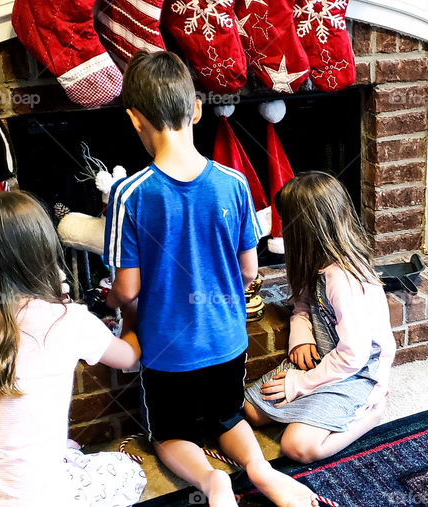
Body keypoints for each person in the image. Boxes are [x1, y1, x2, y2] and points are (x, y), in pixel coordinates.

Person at [104, 50, 317, 507]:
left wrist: (113, 305)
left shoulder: (129, 193)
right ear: (197, 109)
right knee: (227, 416)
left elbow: (128, 289)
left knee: (168, 434)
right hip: (227, 343)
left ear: (134, 118)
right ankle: (260, 468)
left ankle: (211, 481)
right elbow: (249, 270)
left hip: (168, 353)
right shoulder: (235, 182)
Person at [0, 190, 147, 506]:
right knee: (128, 471)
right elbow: (130, 357)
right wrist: (129, 307)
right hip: (36, 499)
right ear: (42, 250)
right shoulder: (68, 320)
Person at [244, 172, 396, 464]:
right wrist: (301, 338)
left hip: (359, 372)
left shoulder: (343, 278)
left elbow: (354, 355)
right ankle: (317, 407)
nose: (280, 228)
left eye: (285, 221)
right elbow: (302, 304)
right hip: (325, 359)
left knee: (298, 447)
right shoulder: (314, 262)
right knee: (251, 411)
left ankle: (372, 413)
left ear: (303, 229)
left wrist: (300, 383)